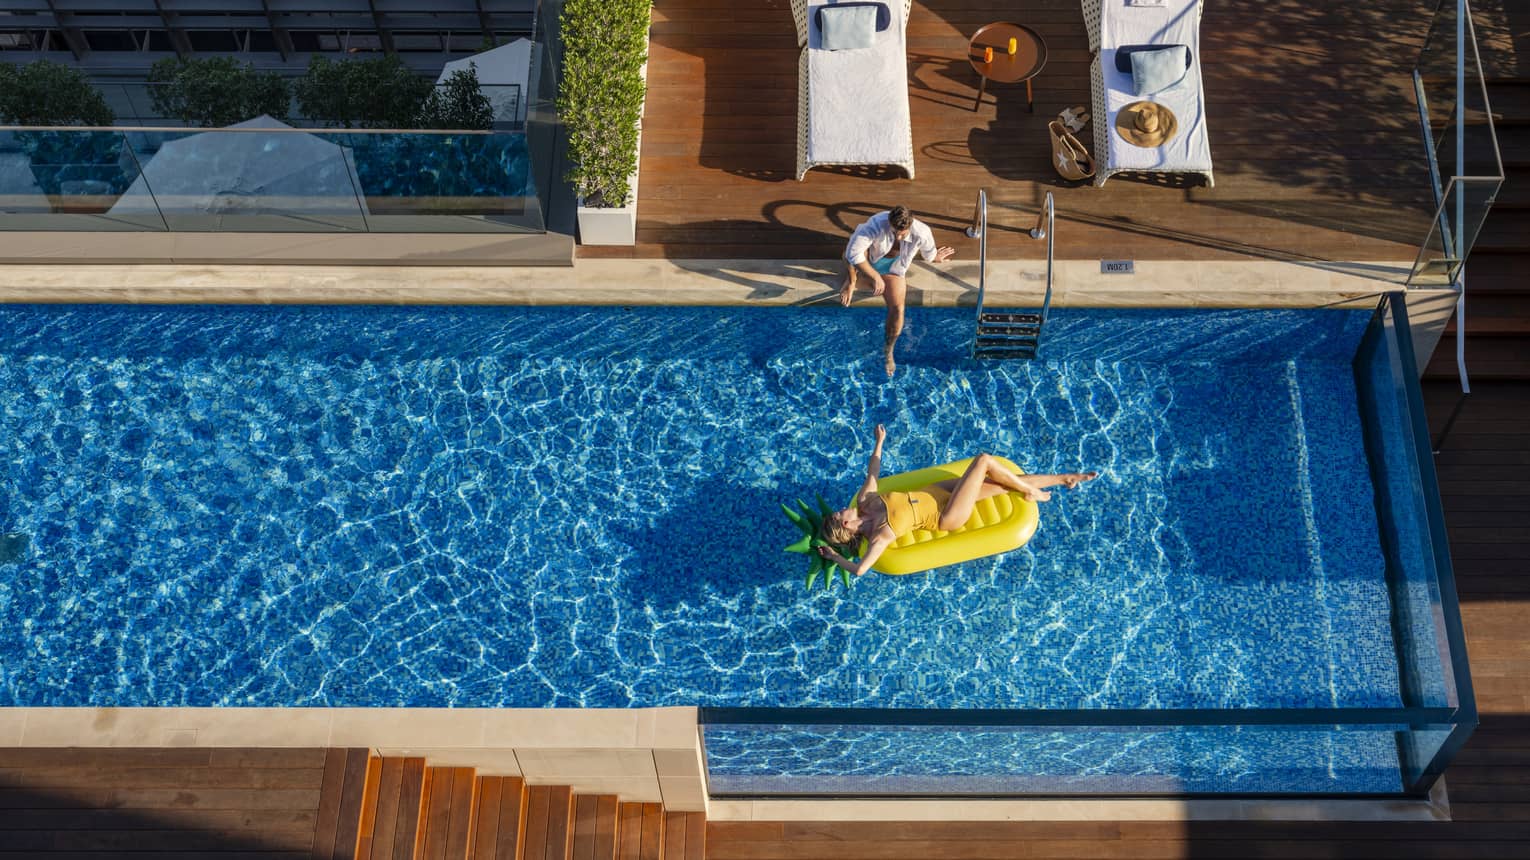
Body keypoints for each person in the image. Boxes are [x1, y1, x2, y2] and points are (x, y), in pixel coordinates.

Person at [817, 424, 1097, 577]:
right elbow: (860, 570)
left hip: (939, 490)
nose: (843, 506)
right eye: (840, 511)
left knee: (1002, 484)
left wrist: (879, 442)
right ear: (845, 522)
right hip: (947, 515)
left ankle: (1064, 478)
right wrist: (834, 556)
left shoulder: (866, 499)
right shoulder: (879, 536)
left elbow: (873, 470)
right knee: (984, 461)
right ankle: (1034, 491)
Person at [840, 206, 956, 376]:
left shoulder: (922, 232)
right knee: (847, 254)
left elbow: (929, 254)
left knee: (898, 308)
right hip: (867, 263)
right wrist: (874, 276)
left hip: (893, 271)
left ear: (911, 225)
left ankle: (888, 352)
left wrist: (935, 257)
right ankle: (851, 281)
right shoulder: (875, 224)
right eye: (896, 232)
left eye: (904, 233)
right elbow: (853, 254)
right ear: (889, 222)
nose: (899, 236)